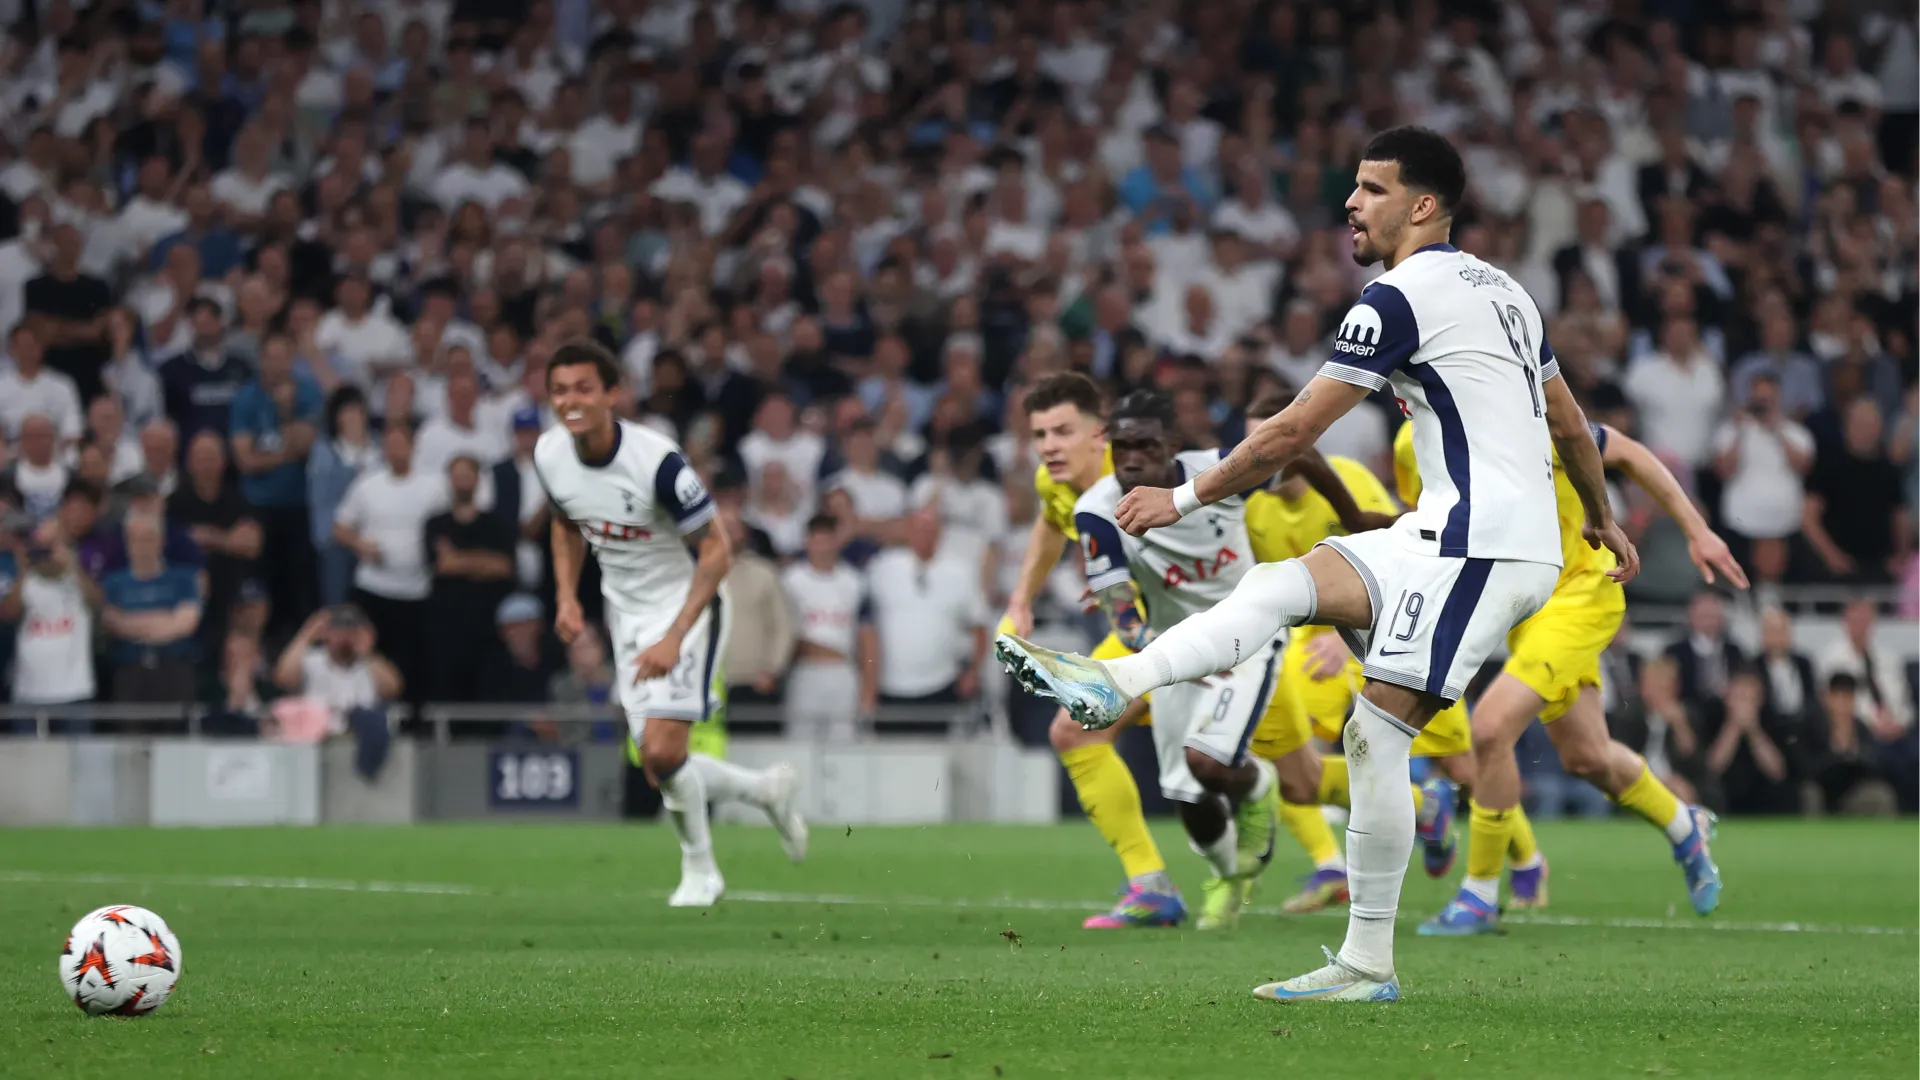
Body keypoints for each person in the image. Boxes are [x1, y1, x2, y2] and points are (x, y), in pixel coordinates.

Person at [996, 128, 1638, 1003]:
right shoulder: (1506, 291)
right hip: (1445, 534)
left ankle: (1368, 963)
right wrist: (1601, 517)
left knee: (1376, 734)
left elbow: (1296, 429)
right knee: (1278, 584)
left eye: (1372, 189)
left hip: (1481, 547)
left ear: (1423, 206)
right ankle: (1115, 685)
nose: (1350, 202)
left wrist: (1184, 498)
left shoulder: (1396, 298)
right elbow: (1566, 420)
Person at [1419, 404, 1746, 935]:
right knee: (1586, 756)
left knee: (1491, 726)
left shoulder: (1538, 420)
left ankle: (1480, 893)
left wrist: (1698, 531)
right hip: (1523, 609)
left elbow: (1631, 454)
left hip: (1581, 596)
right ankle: (1685, 826)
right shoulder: (1424, 436)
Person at [535, 340, 805, 908]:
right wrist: (565, 596)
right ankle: (764, 790)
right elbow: (564, 522)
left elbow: (717, 550)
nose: (570, 401)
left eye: (583, 388)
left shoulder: (657, 462)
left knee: (661, 752)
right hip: (625, 613)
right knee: (660, 763)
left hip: (689, 608)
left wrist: (674, 636)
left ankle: (701, 871)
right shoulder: (550, 454)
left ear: (612, 394)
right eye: (559, 390)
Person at [1241, 390, 1477, 917]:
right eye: (1253, 443)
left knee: (1464, 764)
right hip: (1306, 644)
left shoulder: (1346, 479)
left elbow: (1396, 544)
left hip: (1389, 621)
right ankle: (1334, 863)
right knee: (1285, 758)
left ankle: (1519, 860)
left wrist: (1343, 624)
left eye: (1271, 439)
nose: (1262, 453)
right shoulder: (1252, 504)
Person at [1063, 389, 1289, 931]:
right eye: (1121, 447)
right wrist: (1154, 644)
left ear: (1173, 444)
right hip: (1173, 647)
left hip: (1248, 634)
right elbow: (1121, 611)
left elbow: (1296, 452)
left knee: (1207, 763)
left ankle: (1259, 787)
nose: (1131, 459)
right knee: (1185, 791)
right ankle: (1230, 878)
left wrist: (1350, 513)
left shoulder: (1220, 471)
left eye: (1145, 445)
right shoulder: (1096, 511)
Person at [332, 423, 445, 708]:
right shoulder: (367, 484)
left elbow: (447, 528)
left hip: (416, 590)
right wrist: (359, 544)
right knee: (365, 655)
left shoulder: (434, 487)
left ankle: (411, 723)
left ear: (413, 447)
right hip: (372, 587)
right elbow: (340, 527)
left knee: (414, 664)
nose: (395, 451)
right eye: (390, 445)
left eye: (400, 444)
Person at [228, 332, 323, 637]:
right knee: (260, 586)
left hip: (300, 503)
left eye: (283, 357)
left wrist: (285, 412)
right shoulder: (246, 397)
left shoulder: (309, 393)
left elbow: (307, 444)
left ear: (292, 360)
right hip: (258, 504)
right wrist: (287, 454)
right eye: (270, 357)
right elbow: (245, 460)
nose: (276, 364)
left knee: (300, 585)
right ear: (261, 360)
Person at [424, 454, 516, 701]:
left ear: (477, 480)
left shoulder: (497, 523)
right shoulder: (436, 523)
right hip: (448, 624)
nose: (462, 481)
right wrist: (485, 561)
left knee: (488, 690)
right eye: (457, 476)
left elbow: (504, 567)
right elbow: (442, 566)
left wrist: (458, 558)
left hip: (489, 624)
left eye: (467, 475)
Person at [781, 514, 876, 744]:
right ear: (807, 542)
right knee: (799, 745)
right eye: (817, 541)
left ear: (836, 542)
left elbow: (867, 639)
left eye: (827, 540)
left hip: (843, 673)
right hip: (804, 672)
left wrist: (868, 690)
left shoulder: (855, 581)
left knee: (844, 746)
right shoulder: (790, 580)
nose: (822, 548)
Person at [101, 511, 204, 703]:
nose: (142, 546)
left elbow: (186, 624)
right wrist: (166, 619)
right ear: (127, 543)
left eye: (148, 538)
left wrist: (133, 623)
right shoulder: (113, 583)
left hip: (176, 668)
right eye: (135, 539)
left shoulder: (184, 578)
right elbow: (114, 624)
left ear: (161, 541)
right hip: (129, 671)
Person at [2, 520, 100, 712]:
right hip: (30, 692)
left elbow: (97, 603)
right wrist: (23, 570)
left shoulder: (78, 580)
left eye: (52, 544)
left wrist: (73, 565)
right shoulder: (26, 582)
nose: (47, 553)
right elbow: (8, 613)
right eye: (42, 546)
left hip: (74, 691)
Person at [306, 387, 377, 607]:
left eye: (358, 410)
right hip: (338, 543)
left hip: (375, 538)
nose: (355, 417)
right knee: (339, 607)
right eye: (348, 411)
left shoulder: (380, 448)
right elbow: (321, 502)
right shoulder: (324, 452)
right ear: (337, 417)